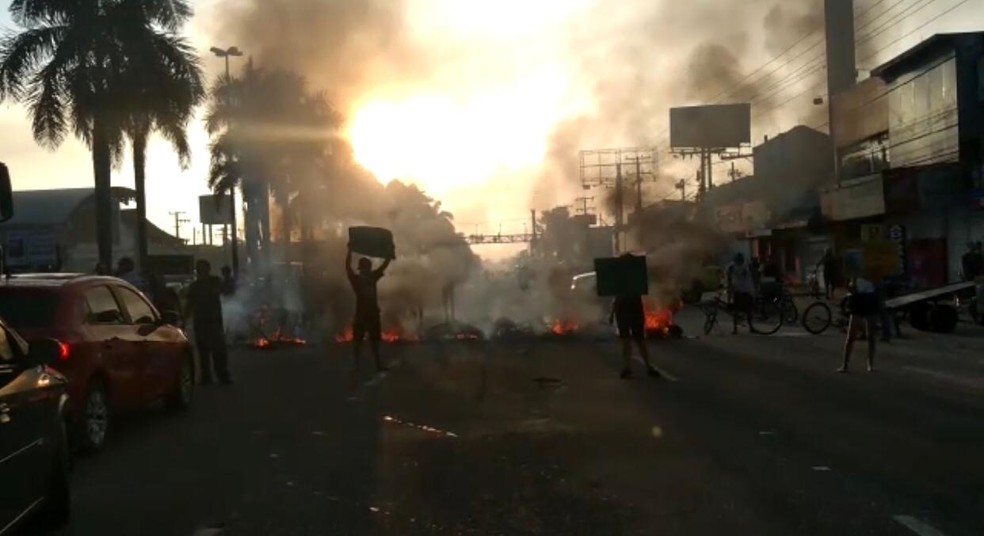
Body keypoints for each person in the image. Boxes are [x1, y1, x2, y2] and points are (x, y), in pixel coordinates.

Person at [345, 245, 392, 373]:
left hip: (367, 314)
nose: (366, 270)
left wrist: (349, 251)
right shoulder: (368, 278)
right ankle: (365, 365)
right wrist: (388, 255)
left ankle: (364, 365)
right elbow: (348, 267)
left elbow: (348, 267)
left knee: (369, 341)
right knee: (363, 341)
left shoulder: (362, 278)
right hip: (367, 314)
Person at [185, 260, 231, 385]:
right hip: (201, 322)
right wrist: (184, 320)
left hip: (213, 321)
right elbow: (189, 304)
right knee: (203, 351)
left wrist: (227, 277)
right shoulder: (195, 286)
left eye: (203, 269)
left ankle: (222, 375)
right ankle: (207, 376)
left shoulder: (214, 281)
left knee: (218, 350)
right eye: (200, 269)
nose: (202, 272)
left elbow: (226, 290)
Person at [608, 288, 660, 379]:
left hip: (632, 313)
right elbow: (617, 299)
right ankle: (629, 367)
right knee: (630, 342)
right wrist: (612, 314)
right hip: (627, 313)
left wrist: (612, 314)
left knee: (637, 341)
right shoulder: (626, 282)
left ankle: (643, 367)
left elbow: (617, 299)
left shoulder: (632, 281)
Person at [839, 275, 879, 373]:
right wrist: (852, 289)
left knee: (871, 336)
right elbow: (850, 281)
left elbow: (878, 281)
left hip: (870, 297)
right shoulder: (856, 266)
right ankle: (845, 365)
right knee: (851, 335)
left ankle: (870, 364)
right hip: (859, 298)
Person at [726, 253, 756, 335]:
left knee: (749, 310)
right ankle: (735, 328)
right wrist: (729, 292)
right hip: (738, 291)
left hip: (747, 290)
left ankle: (750, 327)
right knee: (737, 311)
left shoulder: (747, 265)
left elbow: (753, 276)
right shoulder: (731, 267)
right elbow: (729, 279)